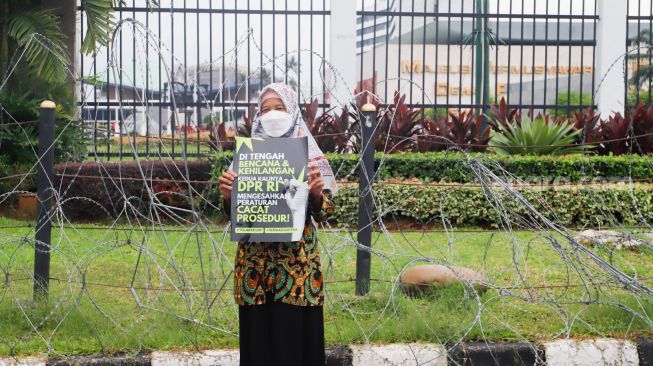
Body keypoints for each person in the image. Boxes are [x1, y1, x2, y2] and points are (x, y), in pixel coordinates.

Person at [219, 83, 337, 366]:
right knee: (258, 344)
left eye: (279, 108)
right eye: (265, 110)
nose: (272, 115)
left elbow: (327, 212)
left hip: (296, 268)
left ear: (293, 111)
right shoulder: (247, 156)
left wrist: (318, 194)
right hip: (255, 269)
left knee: (296, 343)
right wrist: (227, 197)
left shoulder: (308, 156)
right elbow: (237, 215)